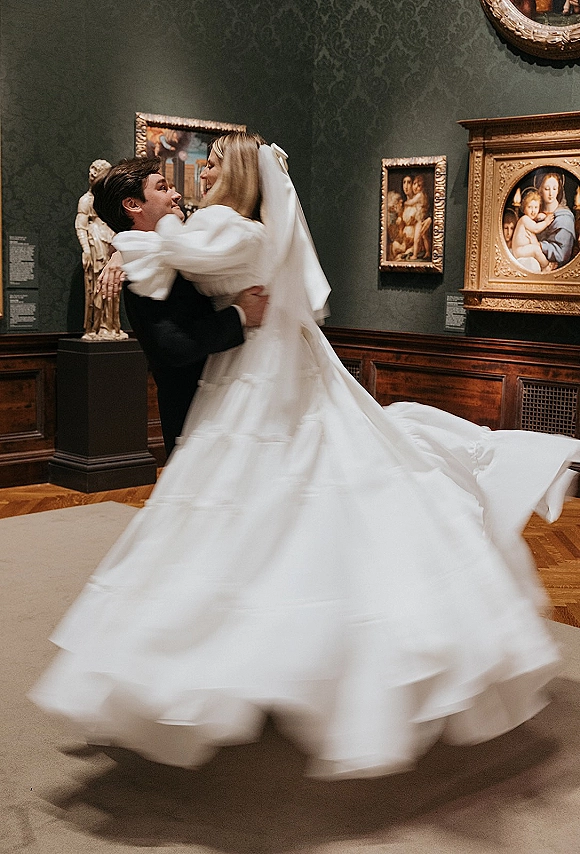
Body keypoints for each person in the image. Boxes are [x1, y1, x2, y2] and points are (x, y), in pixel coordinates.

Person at [30, 132, 580, 780]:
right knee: (237, 528)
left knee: (273, 521)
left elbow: (208, 262)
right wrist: (219, 296)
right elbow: (177, 343)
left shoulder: (215, 234)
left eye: (199, 172)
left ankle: (267, 664)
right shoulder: (192, 239)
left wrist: (198, 276)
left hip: (252, 388)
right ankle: (237, 663)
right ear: (132, 205)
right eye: (163, 185)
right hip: (212, 399)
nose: (181, 187)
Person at [91, 153, 268, 456]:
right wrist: (239, 315)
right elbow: (171, 347)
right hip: (193, 414)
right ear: (133, 205)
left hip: (240, 397)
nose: (176, 195)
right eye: (162, 188)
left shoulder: (188, 243)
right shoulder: (140, 270)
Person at [75, 159, 127, 341]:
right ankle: (95, 327)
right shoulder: (86, 200)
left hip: (111, 241)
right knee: (96, 285)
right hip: (95, 242)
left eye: (98, 171)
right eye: (92, 170)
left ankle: (111, 326)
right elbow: (80, 225)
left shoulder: (112, 202)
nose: (93, 174)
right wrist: (85, 250)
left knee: (113, 286)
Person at [536, 171, 576, 270]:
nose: (551, 193)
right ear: (540, 190)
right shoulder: (534, 213)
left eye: (554, 189)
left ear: (558, 190)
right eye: (546, 189)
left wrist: (541, 246)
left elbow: (563, 254)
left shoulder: (565, 217)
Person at [511, 188, 554, 270]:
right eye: (530, 207)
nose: (533, 211)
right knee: (536, 249)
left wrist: (540, 215)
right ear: (524, 209)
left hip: (522, 250)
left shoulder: (529, 219)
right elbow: (536, 228)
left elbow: (535, 220)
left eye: (536, 207)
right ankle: (547, 265)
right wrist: (546, 222)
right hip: (519, 251)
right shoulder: (524, 219)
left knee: (535, 248)